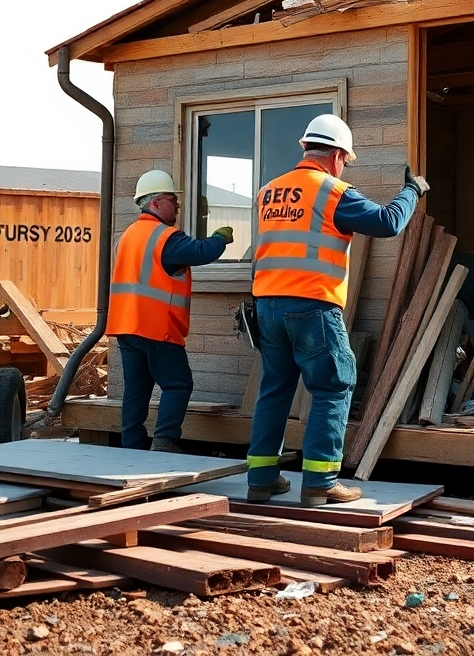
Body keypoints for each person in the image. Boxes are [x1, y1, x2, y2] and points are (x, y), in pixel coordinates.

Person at [247, 113, 428, 507]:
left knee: (274, 390)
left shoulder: (269, 192)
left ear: (306, 148)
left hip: (267, 306)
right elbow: (387, 222)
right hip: (311, 305)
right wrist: (412, 191)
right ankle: (320, 482)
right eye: (345, 160)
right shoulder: (332, 192)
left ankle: (260, 479)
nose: (343, 166)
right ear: (337, 155)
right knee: (334, 385)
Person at [107, 169, 232, 452]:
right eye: (172, 199)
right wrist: (219, 238)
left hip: (125, 326)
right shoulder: (165, 238)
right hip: (155, 327)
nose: (177, 205)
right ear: (155, 203)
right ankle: (164, 442)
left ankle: (132, 446)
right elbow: (203, 252)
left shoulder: (127, 236)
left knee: (136, 390)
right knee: (178, 384)